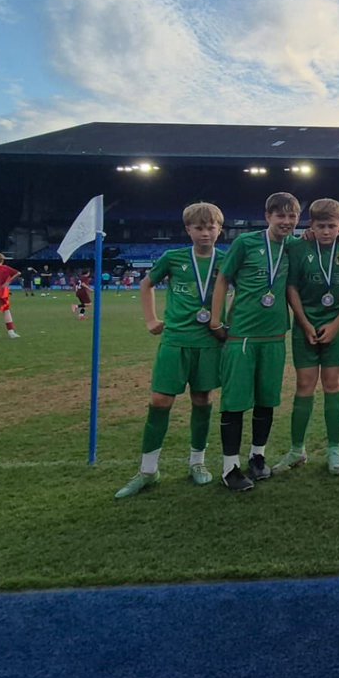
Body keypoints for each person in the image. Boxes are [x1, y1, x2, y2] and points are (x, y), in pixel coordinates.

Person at [115, 202, 226, 499]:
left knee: (203, 399)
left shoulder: (225, 260)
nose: (205, 233)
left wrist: (226, 324)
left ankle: (197, 463)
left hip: (208, 342)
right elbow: (146, 284)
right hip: (175, 339)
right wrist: (151, 319)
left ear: (220, 230)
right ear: (188, 229)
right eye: (199, 228)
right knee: (160, 400)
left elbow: (242, 291)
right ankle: (148, 470)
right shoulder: (173, 258)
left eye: (210, 227)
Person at [209, 192, 300, 492]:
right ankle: (230, 467)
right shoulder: (246, 243)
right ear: (268, 216)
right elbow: (223, 278)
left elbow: (330, 240)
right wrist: (216, 319)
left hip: (274, 336)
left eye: (292, 216)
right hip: (242, 335)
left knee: (266, 400)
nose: (286, 222)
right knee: (235, 403)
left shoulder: (294, 246)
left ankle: (257, 457)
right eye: (281, 216)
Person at [279, 198, 339, 476]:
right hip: (305, 324)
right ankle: (296, 450)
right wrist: (304, 324)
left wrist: (338, 324)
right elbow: (291, 287)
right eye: (320, 226)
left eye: (331, 226)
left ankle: (334, 449)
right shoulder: (298, 246)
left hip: (336, 326)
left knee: (332, 384)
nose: (326, 231)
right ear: (310, 226)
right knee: (304, 385)